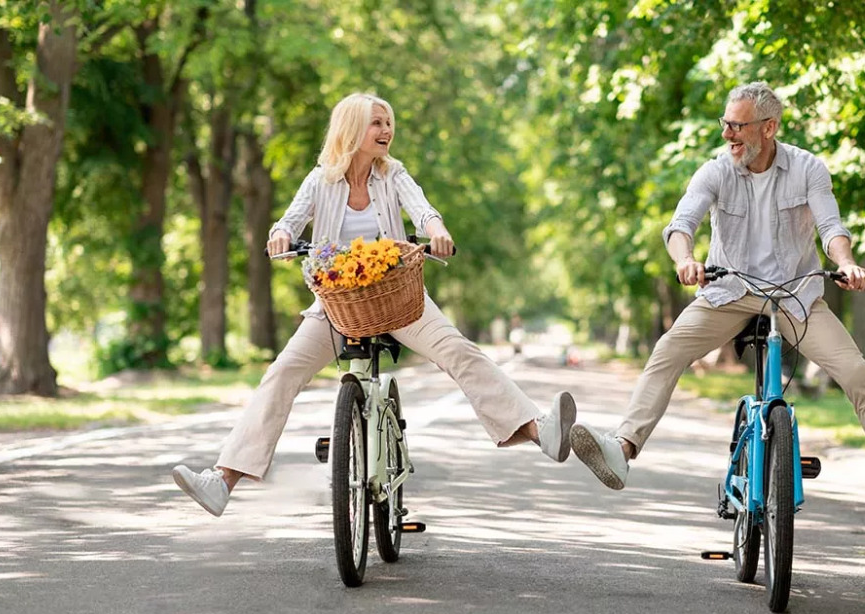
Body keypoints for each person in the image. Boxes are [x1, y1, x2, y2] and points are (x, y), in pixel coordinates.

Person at [568, 82, 865, 525]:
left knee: (858, 374)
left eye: (737, 126)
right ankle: (623, 448)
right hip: (730, 292)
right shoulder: (715, 171)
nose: (727, 134)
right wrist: (685, 260)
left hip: (795, 296)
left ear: (769, 128)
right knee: (669, 349)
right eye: (725, 123)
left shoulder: (808, 169)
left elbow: (831, 227)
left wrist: (846, 263)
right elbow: (681, 223)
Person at [172, 93, 576, 517]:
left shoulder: (392, 174)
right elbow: (290, 221)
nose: (386, 130)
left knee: (459, 351)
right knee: (282, 372)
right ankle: (223, 480)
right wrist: (280, 235)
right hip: (338, 304)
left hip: (399, 299)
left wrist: (437, 231)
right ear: (352, 129)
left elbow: (423, 211)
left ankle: (539, 430)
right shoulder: (321, 181)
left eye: (388, 123)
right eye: (376, 123)